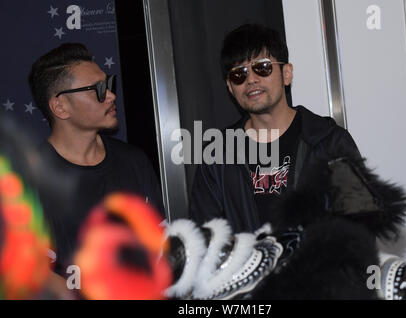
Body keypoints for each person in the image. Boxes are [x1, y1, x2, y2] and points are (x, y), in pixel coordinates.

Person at [189, 23, 361, 233]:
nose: (251, 79)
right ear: (230, 88)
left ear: (286, 73)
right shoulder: (216, 156)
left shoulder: (331, 142)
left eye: (262, 67)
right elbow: (204, 241)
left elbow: (360, 230)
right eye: (238, 74)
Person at [28, 43, 164, 276]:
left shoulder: (134, 161)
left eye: (108, 85)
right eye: (97, 89)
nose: (111, 95)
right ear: (60, 107)